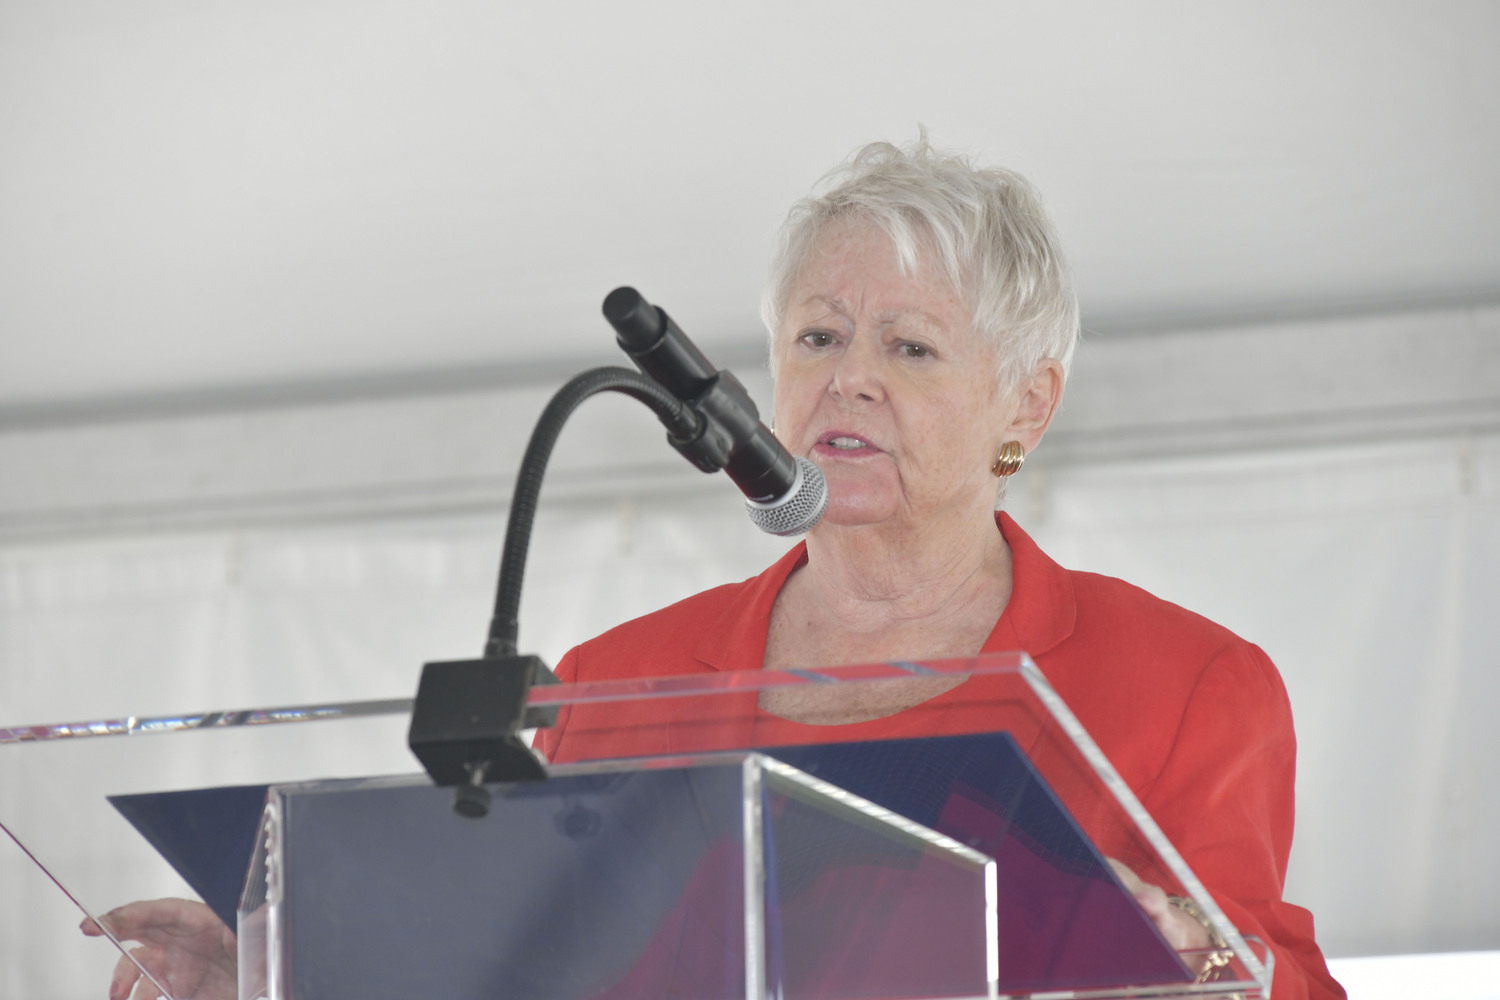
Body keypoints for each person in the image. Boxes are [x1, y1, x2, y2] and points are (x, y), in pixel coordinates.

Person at [86, 137, 1344, 1000]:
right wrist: (284, 965)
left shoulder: (1187, 684)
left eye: (909, 346)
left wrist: (1202, 970)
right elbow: (519, 973)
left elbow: (1274, 979)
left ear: (1030, 401)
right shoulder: (615, 684)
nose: (848, 375)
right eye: (816, 335)